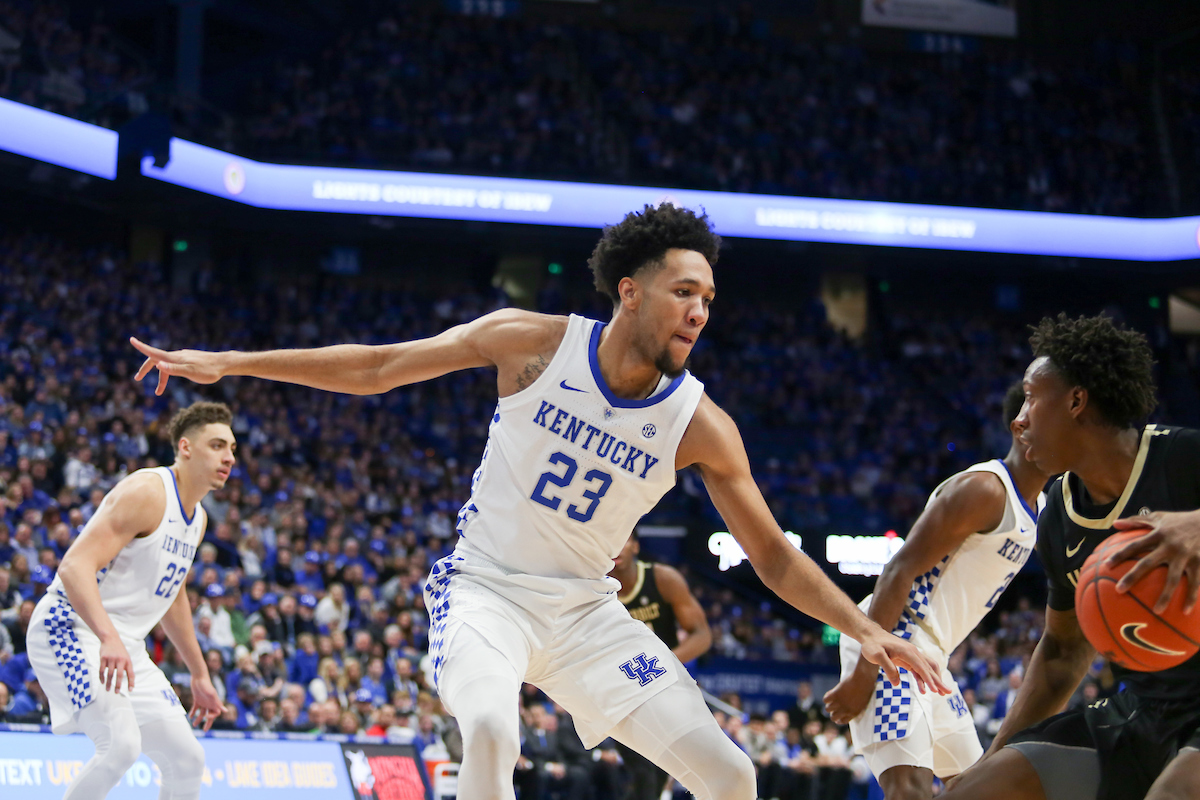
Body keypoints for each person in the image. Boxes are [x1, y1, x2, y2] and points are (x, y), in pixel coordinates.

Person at [131, 203, 947, 800]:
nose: (700, 310)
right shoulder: (533, 344)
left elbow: (770, 553)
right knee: (489, 731)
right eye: (684, 292)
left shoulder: (702, 424)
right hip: (486, 590)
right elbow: (380, 367)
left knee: (731, 776)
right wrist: (232, 363)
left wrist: (866, 627)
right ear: (629, 291)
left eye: (709, 299)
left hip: (587, 614)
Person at [943, 314, 1200, 800]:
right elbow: (1062, 654)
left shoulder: (1183, 458)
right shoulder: (1057, 515)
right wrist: (993, 757)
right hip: (1143, 713)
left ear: (1076, 401)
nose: (1018, 418)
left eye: (1031, 398)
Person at [824, 381, 1049, 800]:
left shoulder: (1037, 508)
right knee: (908, 791)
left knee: (977, 789)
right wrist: (863, 676)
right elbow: (897, 571)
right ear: (1023, 426)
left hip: (933, 659)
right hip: (895, 641)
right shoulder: (985, 489)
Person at [25, 402, 232, 800]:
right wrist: (108, 637)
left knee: (188, 760)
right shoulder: (147, 491)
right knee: (121, 746)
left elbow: (172, 599)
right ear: (186, 448)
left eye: (232, 448)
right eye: (217, 445)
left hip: (123, 646)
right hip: (69, 627)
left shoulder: (199, 518)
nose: (228, 457)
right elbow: (73, 567)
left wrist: (200, 673)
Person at [608, 530, 712, 799]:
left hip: (662, 685)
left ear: (636, 545)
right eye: (610, 539)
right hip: (620, 690)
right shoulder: (594, 585)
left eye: (624, 539)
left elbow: (702, 634)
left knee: (658, 773)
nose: (617, 547)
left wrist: (667, 660)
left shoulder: (663, 578)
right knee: (642, 771)